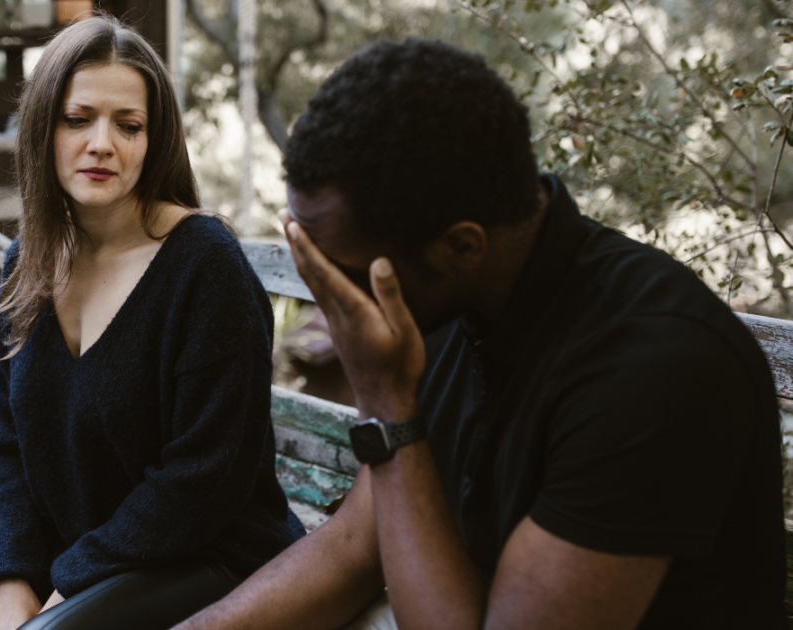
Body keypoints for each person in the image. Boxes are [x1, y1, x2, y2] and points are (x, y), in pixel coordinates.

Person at [174, 39, 787, 630]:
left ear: (462, 246)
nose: (330, 299)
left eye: (342, 274)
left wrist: (388, 405)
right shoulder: (452, 296)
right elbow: (354, 548)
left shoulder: (654, 367)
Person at [0, 14, 303, 630]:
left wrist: (68, 581)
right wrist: (10, 576)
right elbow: (9, 447)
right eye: (77, 119)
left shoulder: (204, 266)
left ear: (153, 138)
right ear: (42, 130)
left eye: (128, 125)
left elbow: (204, 479)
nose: (102, 144)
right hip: (79, 542)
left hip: (209, 554)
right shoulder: (25, 264)